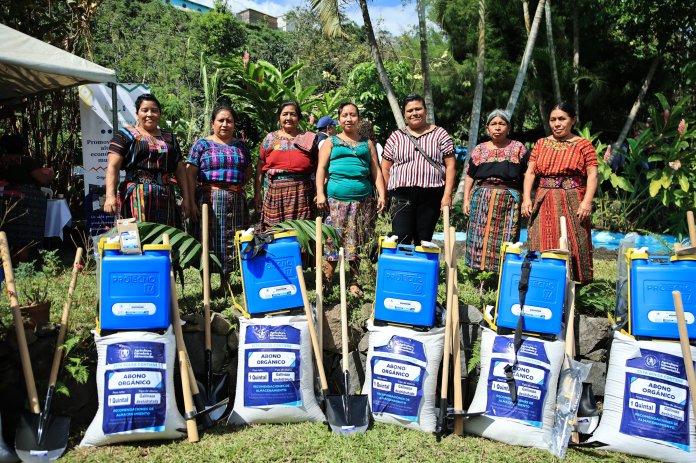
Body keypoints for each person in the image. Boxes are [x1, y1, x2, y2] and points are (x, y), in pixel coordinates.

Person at [522, 102, 598, 284]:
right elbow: (530, 173)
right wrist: (526, 199)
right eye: (553, 119)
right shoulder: (541, 144)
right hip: (545, 198)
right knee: (543, 238)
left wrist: (587, 202)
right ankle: (542, 280)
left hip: (573, 199)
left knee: (575, 240)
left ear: (573, 120)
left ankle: (576, 284)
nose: (557, 124)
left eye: (562, 119)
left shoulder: (583, 145)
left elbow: (593, 174)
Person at [316, 102, 386, 296]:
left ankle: (354, 281)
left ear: (359, 119)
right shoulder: (330, 142)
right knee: (332, 240)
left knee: (357, 241)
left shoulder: (367, 143)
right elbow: (321, 169)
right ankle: (328, 279)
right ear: (339, 120)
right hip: (335, 202)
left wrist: (381, 193)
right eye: (345, 115)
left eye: (353, 115)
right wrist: (320, 193)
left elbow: (375, 171)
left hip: (362, 201)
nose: (349, 119)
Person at [185, 103, 252, 277]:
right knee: (207, 239)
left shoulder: (241, 146)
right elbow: (190, 174)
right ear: (212, 123)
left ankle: (226, 280)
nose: (225, 124)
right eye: (220, 120)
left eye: (229, 121)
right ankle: (206, 281)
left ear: (234, 124)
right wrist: (191, 201)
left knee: (232, 239)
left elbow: (248, 171)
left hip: (235, 199)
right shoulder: (202, 144)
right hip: (209, 200)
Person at [381, 94, 456, 245]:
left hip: (431, 195)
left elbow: (451, 166)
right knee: (401, 237)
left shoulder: (440, 134)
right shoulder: (396, 137)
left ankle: (422, 268)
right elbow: (385, 168)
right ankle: (403, 268)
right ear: (404, 114)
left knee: (423, 240)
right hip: (402, 196)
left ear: (425, 110)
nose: (414, 113)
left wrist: (447, 196)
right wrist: (391, 193)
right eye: (410, 110)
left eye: (418, 109)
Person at [103, 93, 187, 226]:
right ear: (137, 113)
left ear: (159, 114)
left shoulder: (169, 138)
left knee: (164, 237)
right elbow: (113, 167)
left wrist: (186, 198)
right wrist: (110, 196)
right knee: (135, 238)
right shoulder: (125, 135)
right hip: (134, 196)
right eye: (145, 110)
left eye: (154, 110)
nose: (150, 114)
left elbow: (180, 169)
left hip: (165, 196)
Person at [463, 109, 528, 273]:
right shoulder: (479, 149)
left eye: (501, 124)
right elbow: (470, 176)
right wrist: (466, 200)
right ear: (487, 128)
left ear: (508, 128)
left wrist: (527, 199)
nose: (497, 128)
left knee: (508, 235)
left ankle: (504, 272)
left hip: (509, 199)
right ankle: (480, 274)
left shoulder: (518, 148)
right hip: (482, 197)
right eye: (493, 124)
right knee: (479, 236)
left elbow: (528, 175)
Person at [254, 101, 317, 229]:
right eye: (285, 114)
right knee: (275, 232)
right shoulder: (270, 139)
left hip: (303, 194)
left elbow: (318, 167)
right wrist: (257, 193)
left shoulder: (309, 138)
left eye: (293, 114)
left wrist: (318, 192)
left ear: (298, 117)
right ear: (279, 117)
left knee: (302, 232)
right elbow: (260, 167)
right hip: (276, 194)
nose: (288, 118)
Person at [0, 134, 54, 261]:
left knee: (9, 232)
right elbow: (43, 179)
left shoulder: (2, 161)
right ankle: (22, 266)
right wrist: (50, 173)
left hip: (5, 199)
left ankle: (8, 264)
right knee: (25, 235)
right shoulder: (26, 161)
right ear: (21, 147)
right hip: (27, 201)